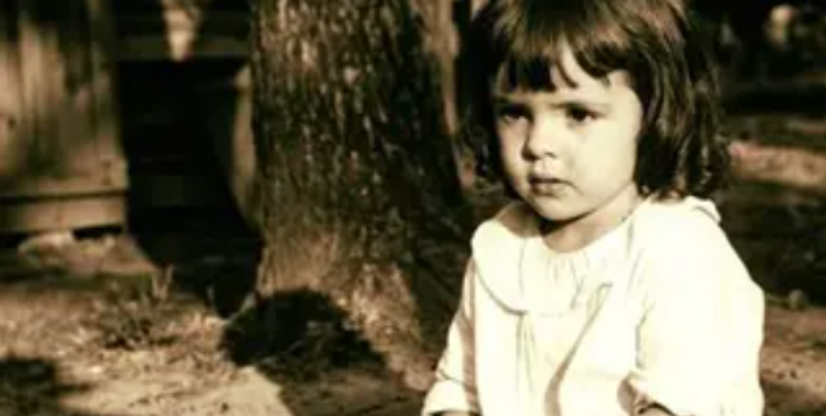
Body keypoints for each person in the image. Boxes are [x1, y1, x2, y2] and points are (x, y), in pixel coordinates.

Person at [422, 0, 765, 415]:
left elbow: (683, 397)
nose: (538, 144)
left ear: (655, 114)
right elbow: (461, 386)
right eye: (514, 113)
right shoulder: (502, 245)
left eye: (578, 114)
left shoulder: (678, 247)